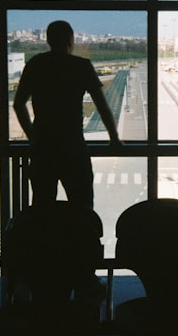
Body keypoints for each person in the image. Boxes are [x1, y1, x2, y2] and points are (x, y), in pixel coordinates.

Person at [13, 20, 121, 209]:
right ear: (71, 40)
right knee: (82, 207)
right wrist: (114, 138)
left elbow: (18, 105)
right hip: (73, 147)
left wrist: (33, 137)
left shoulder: (35, 64)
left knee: (42, 209)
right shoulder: (81, 66)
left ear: (48, 40)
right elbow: (103, 106)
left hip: (43, 150)